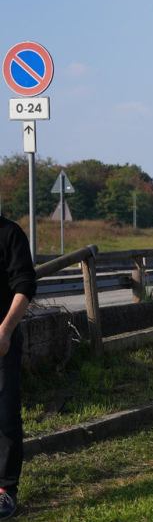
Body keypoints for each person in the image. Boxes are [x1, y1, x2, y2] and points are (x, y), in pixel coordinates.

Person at [0, 217, 36, 519]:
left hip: (1, 339)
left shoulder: (9, 234)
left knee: (4, 414)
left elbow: (24, 284)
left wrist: (6, 330)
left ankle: (5, 490)